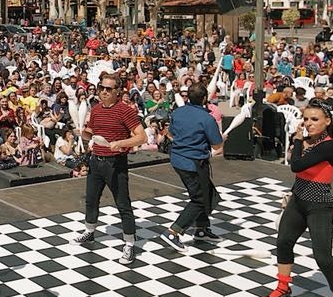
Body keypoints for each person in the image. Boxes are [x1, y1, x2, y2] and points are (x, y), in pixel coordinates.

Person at [264, 103, 333, 297]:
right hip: (298, 199)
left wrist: (296, 140)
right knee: (283, 242)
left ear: (327, 121)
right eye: (305, 119)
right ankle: (284, 286)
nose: (308, 123)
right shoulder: (309, 142)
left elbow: (296, 165)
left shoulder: (330, 146)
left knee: (323, 259)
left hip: (319, 205)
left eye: (314, 119)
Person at [77, 72, 147, 263]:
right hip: (96, 161)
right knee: (91, 200)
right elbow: (92, 131)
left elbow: (142, 137)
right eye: (101, 88)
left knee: (123, 204)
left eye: (109, 89)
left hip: (115, 163)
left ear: (117, 91)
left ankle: (130, 244)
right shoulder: (97, 109)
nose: (104, 92)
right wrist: (83, 134)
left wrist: (120, 142)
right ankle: (90, 231)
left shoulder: (125, 110)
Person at [162, 83, 224, 246]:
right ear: (205, 99)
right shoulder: (207, 118)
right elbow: (217, 146)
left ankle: (201, 229)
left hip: (178, 159)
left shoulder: (178, 112)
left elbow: (170, 134)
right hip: (194, 163)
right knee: (200, 199)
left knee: (209, 194)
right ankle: (173, 232)